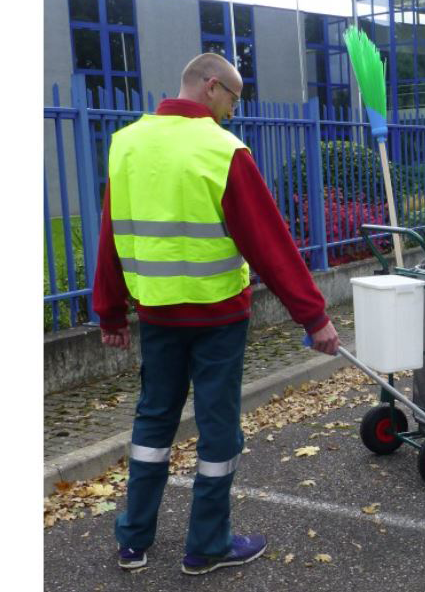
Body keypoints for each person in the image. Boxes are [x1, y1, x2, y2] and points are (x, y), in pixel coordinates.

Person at [93, 52, 340, 576]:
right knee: (218, 427)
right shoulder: (222, 150)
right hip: (217, 319)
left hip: (157, 315)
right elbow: (269, 243)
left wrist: (110, 312)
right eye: (234, 96)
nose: (234, 109)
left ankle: (133, 542)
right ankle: (206, 546)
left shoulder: (128, 144)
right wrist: (314, 318)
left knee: (153, 420)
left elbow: (110, 236)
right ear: (211, 87)